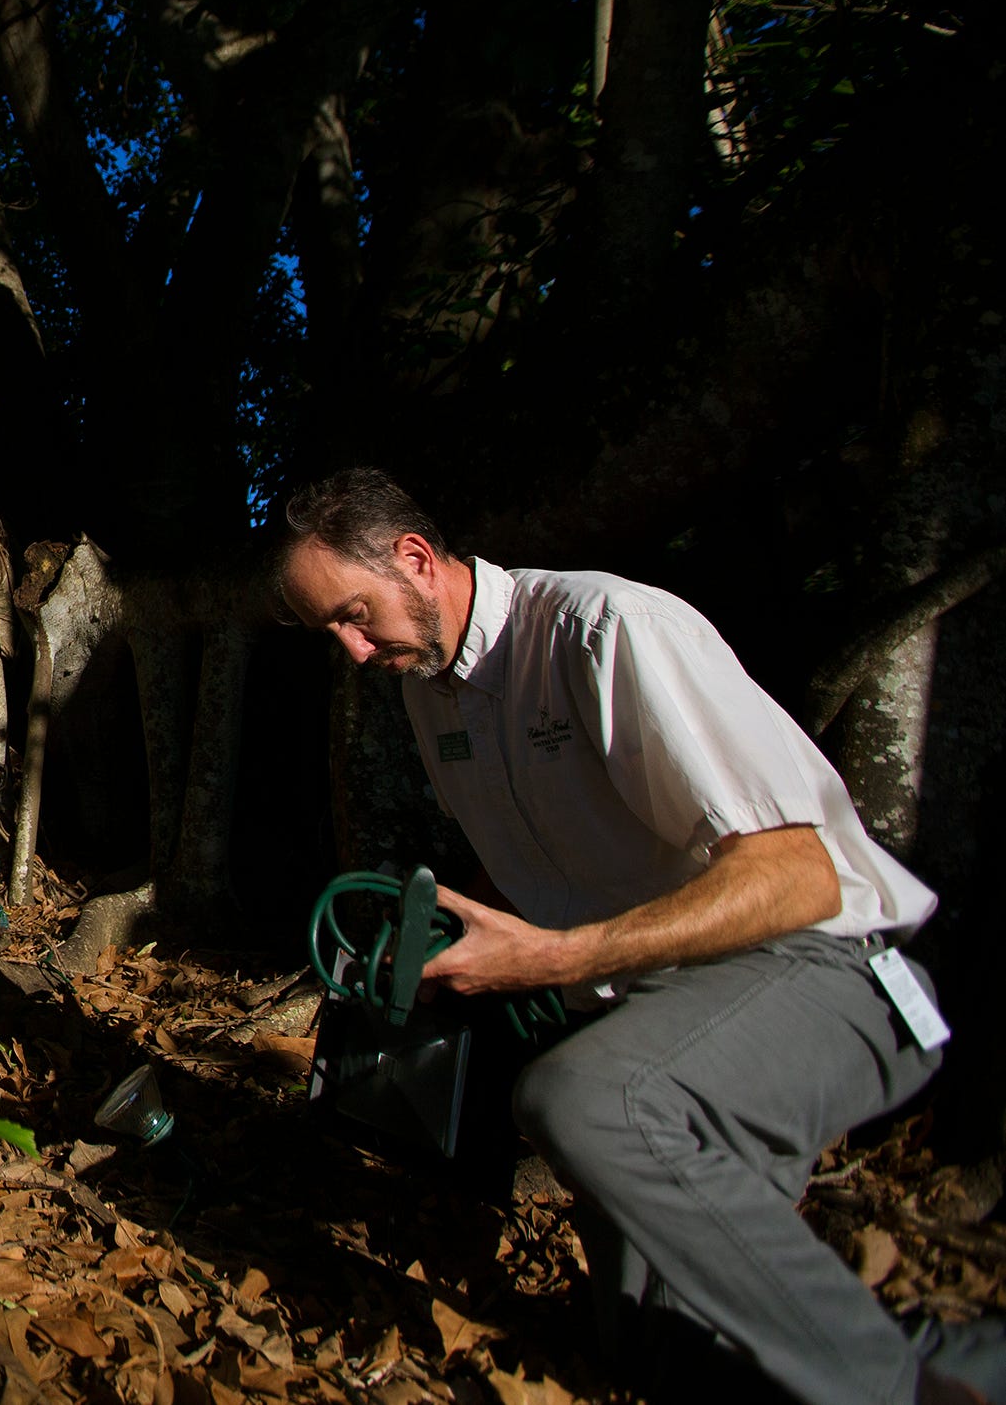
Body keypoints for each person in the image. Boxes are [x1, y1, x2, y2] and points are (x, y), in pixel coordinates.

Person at [270, 468, 999, 1405]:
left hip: (839, 971)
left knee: (584, 1099)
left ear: (414, 557)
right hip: (669, 1011)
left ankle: (895, 1392)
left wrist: (555, 957)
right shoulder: (428, 687)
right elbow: (537, 866)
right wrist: (445, 945)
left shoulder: (606, 631)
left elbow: (798, 872)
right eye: (328, 630)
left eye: (353, 612)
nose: (351, 648)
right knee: (659, 1350)